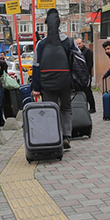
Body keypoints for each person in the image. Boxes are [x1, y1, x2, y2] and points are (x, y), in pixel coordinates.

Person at [31, 8, 74, 150]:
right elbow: (76, 62)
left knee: (50, 109)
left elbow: (36, 66)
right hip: (65, 82)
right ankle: (66, 136)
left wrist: (36, 88)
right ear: (59, 25)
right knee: (66, 108)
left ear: (47, 25)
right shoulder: (68, 42)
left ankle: (54, 137)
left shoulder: (41, 44)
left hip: (47, 83)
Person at [75, 38, 96, 113]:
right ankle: (83, 107)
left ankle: (92, 107)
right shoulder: (77, 51)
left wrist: (86, 73)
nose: (78, 45)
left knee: (87, 91)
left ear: (83, 43)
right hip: (79, 75)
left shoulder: (88, 52)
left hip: (86, 75)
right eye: (77, 44)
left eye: (79, 43)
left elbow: (90, 64)